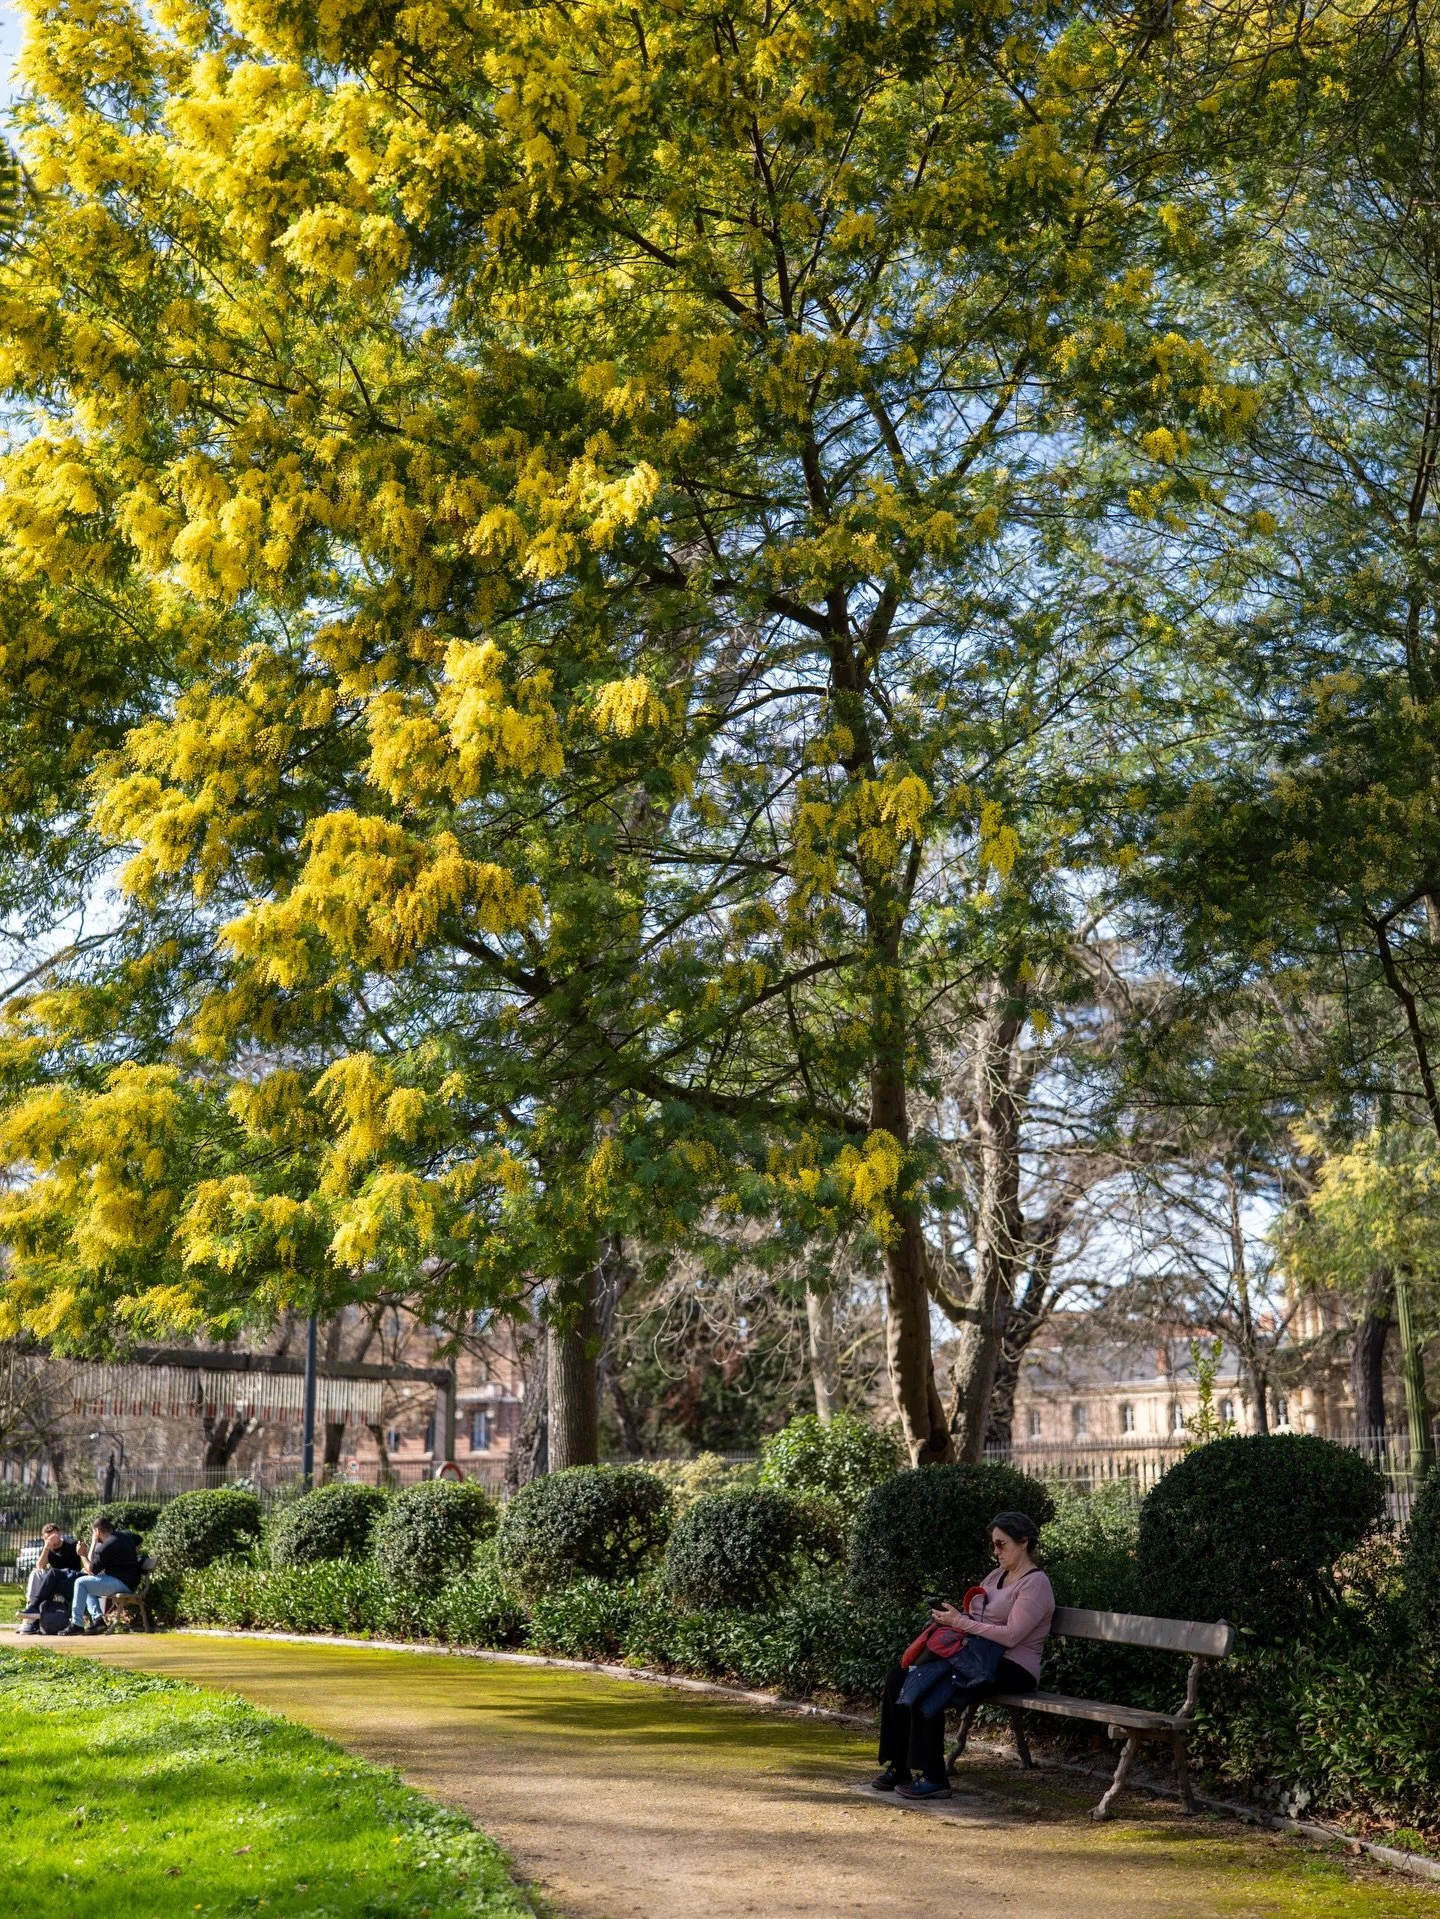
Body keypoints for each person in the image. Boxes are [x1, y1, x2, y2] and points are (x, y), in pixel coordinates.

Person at [873, 1509, 1055, 1801]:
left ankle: (934, 1777)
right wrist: (952, 1619)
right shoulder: (996, 1576)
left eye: (1002, 1543)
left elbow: (1011, 1635)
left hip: (1011, 1666)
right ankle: (900, 1767)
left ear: (1023, 1542)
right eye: (993, 1544)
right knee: (900, 1677)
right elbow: (975, 1617)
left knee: (929, 1685)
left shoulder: (1035, 1583)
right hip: (976, 1657)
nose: (996, 1551)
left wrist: (959, 1622)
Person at [62, 1515, 143, 1635]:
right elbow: (139, 1539)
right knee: (87, 1582)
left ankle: (77, 1624)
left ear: (97, 1531)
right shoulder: (125, 1534)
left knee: (81, 1582)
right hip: (129, 1581)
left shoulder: (107, 1545)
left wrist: (82, 1554)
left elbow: (91, 1570)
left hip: (121, 1583)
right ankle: (98, 1620)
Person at [18, 1523, 83, 1633]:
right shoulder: (47, 1550)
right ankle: (30, 1619)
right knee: (36, 1573)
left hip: (70, 1581)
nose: (52, 1540)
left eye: (54, 1536)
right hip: (54, 1583)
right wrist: (46, 1546)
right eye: (48, 1538)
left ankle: (34, 1608)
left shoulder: (72, 1545)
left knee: (52, 1572)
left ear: (59, 1534)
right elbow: (39, 1566)